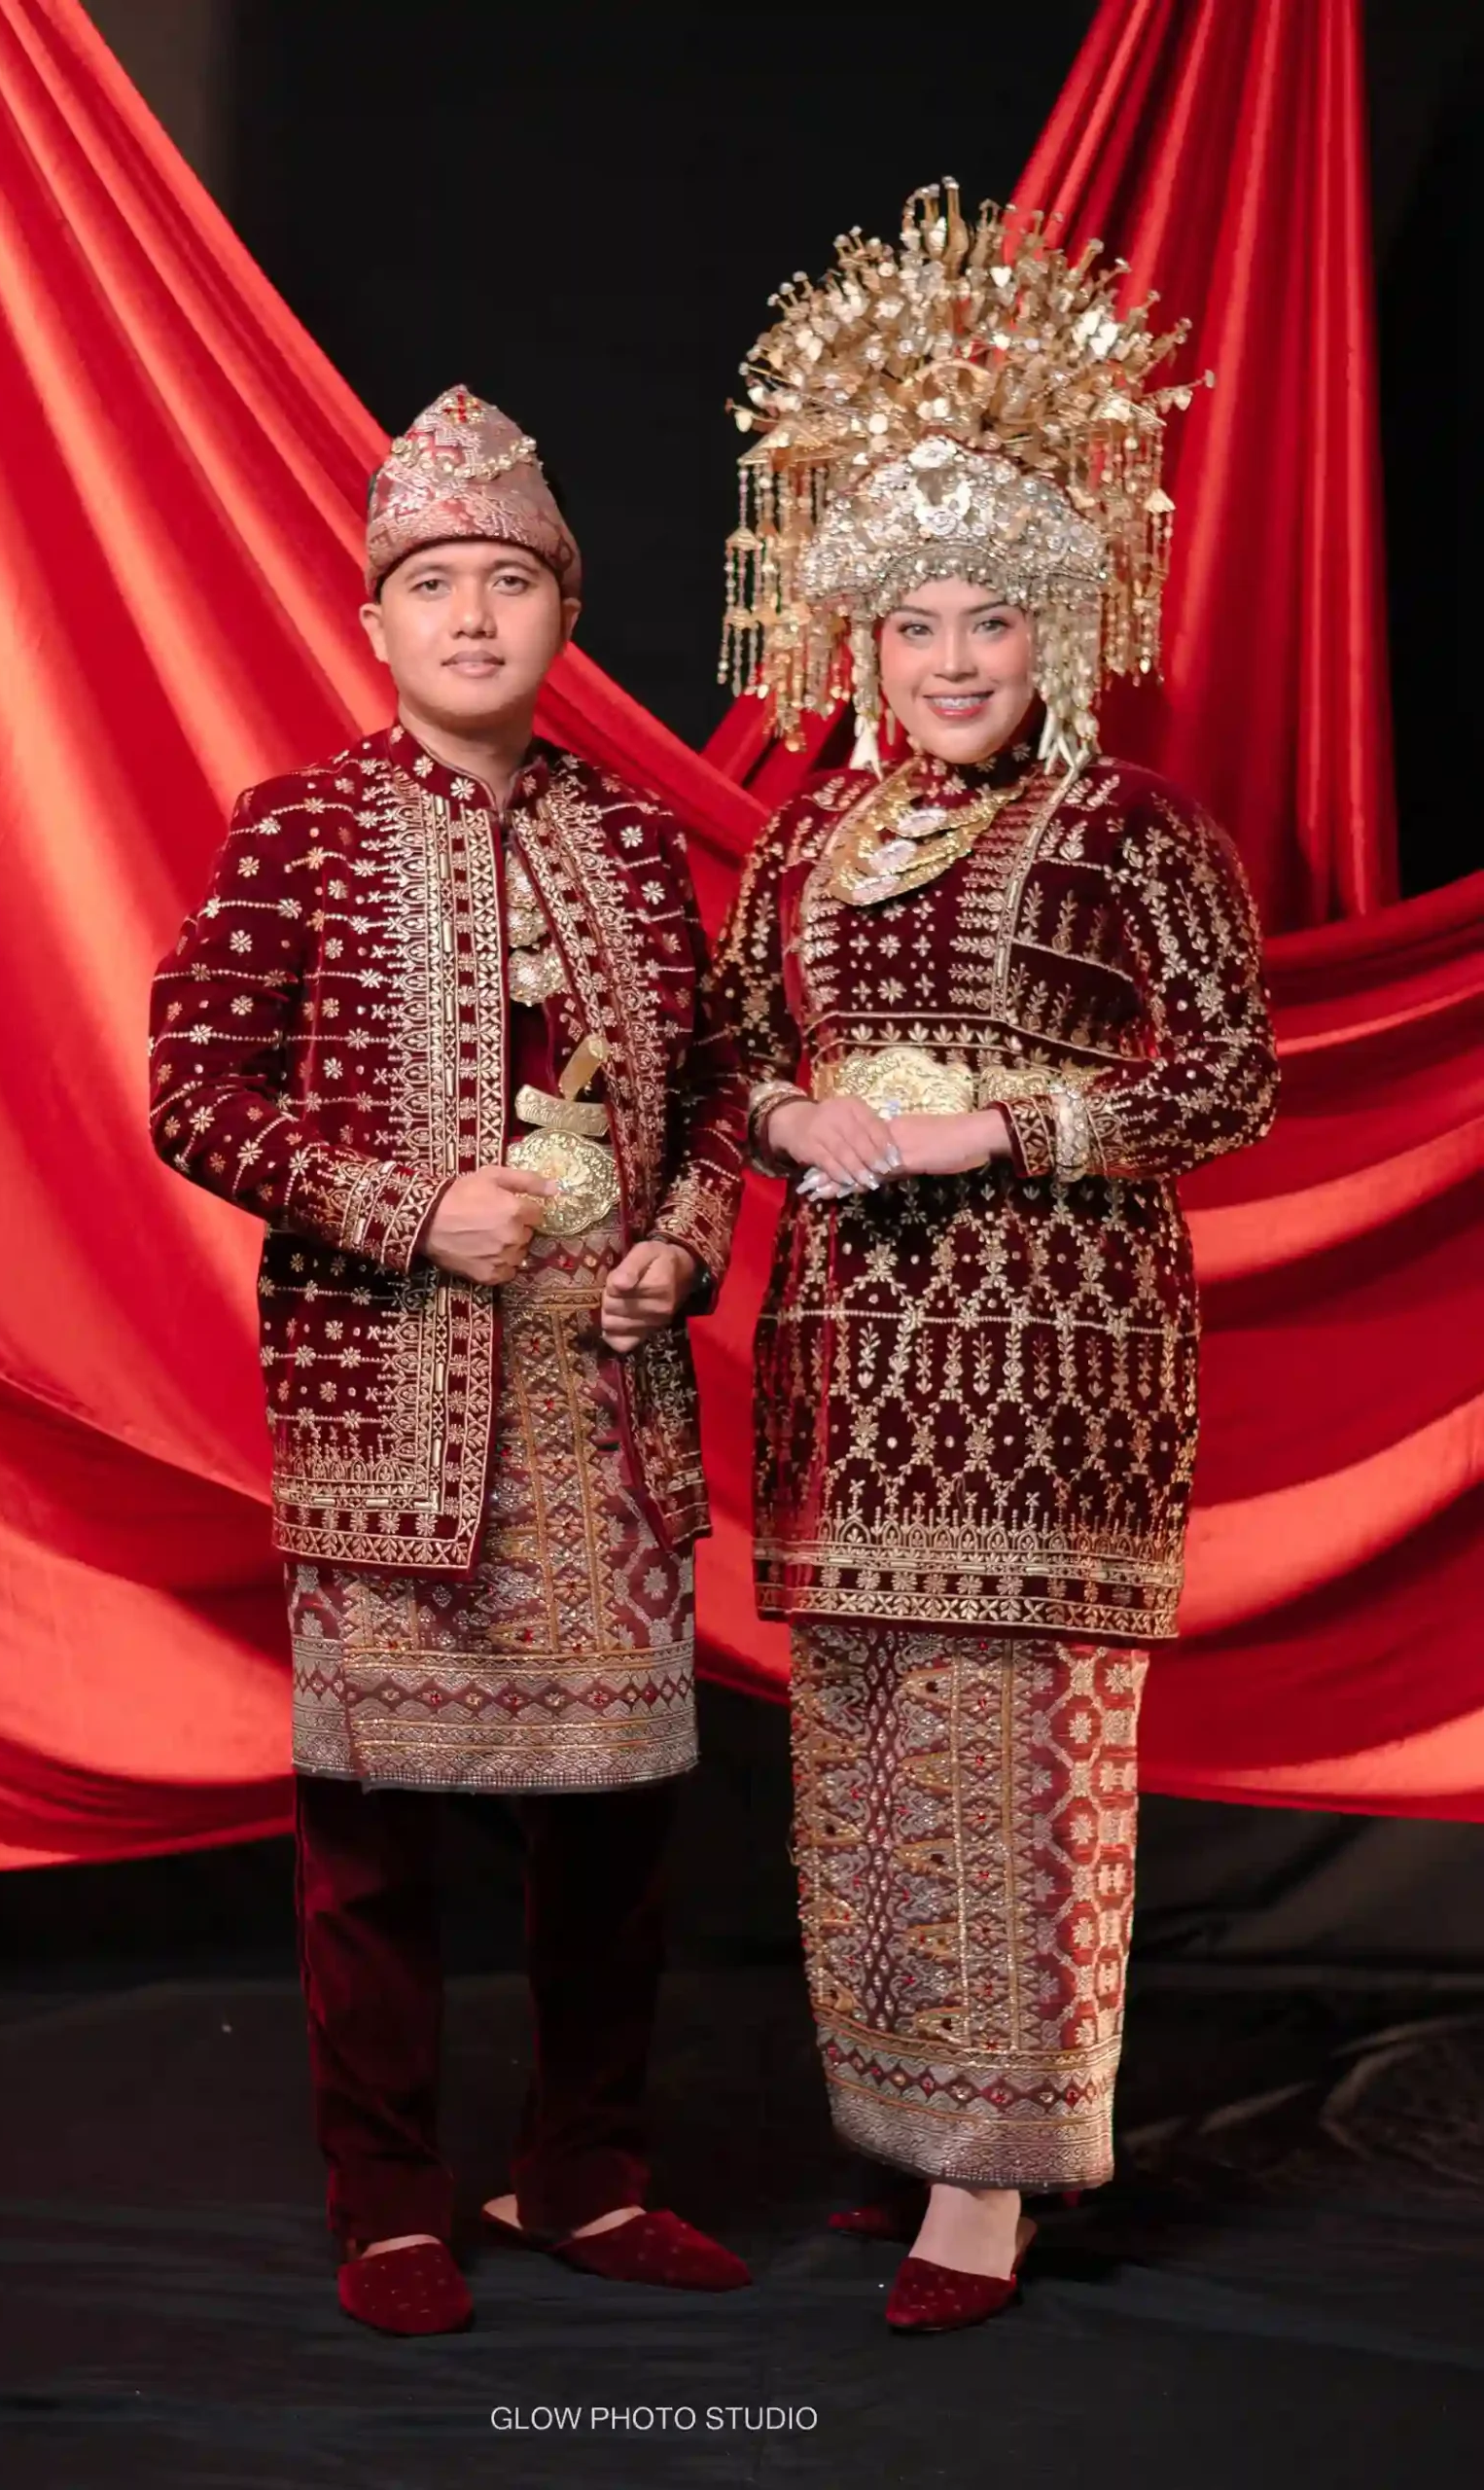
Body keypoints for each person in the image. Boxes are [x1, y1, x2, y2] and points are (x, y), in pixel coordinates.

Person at [712, 185, 1279, 2333]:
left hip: (1052, 1361)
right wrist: (788, 1121)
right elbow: (736, 1053)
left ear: (1057, 633)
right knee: (866, 1754)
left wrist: (995, 1124)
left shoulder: (1130, 828)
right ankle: (913, 2126)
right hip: (847, 1359)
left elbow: (1228, 1075)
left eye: (992, 623)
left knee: (1019, 1757)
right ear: (858, 642)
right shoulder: (801, 835)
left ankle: (998, 2179)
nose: (951, 662)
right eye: (913, 625)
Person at [149, 385, 749, 2334]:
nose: (472, 615)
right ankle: (389, 2195)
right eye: (433, 584)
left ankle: (586, 2169)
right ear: (373, 621)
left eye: (508, 580)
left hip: (605, 1416)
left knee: (615, 1834)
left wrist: (679, 1244)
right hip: (390, 1406)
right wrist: (409, 1209)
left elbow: (716, 1095)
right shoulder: (300, 828)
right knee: (373, 1836)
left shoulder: (636, 840)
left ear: (564, 612)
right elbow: (193, 1093)